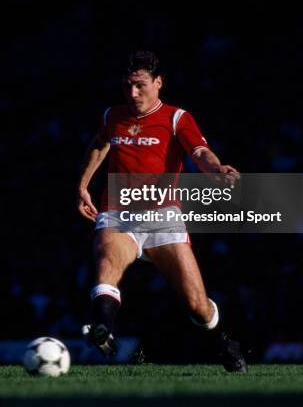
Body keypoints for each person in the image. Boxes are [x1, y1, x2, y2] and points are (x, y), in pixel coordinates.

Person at [77, 50, 247, 372]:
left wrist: (216, 169)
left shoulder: (176, 118)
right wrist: (83, 184)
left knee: (198, 306)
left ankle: (223, 342)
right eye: (127, 85)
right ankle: (103, 328)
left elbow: (200, 151)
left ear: (158, 83)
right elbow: (100, 144)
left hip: (162, 218)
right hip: (118, 213)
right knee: (106, 263)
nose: (132, 93)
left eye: (140, 85)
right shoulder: (112, 115)